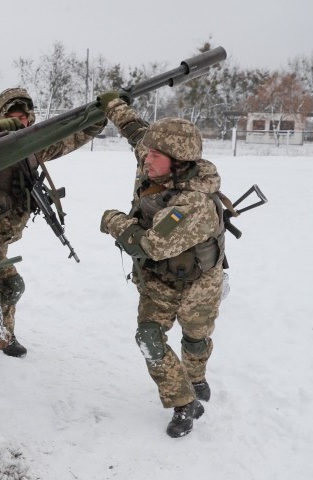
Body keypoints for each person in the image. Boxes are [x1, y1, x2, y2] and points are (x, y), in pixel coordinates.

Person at [97, 91, 226, 438]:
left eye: (155, 156)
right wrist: (111, 103)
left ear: (179, 162)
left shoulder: (192, 205)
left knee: (196, 340)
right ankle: (184, 402)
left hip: (200, 285)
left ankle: (196, 377)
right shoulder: (155, 158)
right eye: (148, 153)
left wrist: (113, 221)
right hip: (158, 283)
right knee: (149, 338)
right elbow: (135, 130)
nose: (146, 161)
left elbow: (151, 245)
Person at [0, 87, 106, 357]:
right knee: (13, 284)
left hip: (3, 233)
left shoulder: (34, 148)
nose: (21, 121)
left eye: (25, 117)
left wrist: (99, 116)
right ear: (0, 117)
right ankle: (3, 336)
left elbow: (72, 137)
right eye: (13, 116)